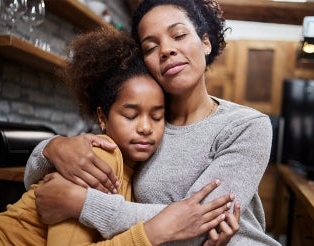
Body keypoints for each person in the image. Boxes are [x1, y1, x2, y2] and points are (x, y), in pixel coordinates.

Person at [25, 0, 281, 245]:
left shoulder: (246, 126)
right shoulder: (144, 126)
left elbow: (198, 227)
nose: (167, 50)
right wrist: (52, 148)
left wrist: (84, 204)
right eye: (150, 47)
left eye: (178, 35)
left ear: (206, 42)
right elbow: (38, 179)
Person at [0, 27, 239, 245]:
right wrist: (151, 234)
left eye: (156, 117)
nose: (145, 127)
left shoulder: (136, 171)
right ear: (102, 117)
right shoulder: (99, 160)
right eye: (131, 116)